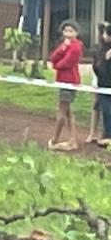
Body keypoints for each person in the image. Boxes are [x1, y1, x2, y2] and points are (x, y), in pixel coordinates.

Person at [48, 21, 83, 151]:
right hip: (62, 81)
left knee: (61, 112)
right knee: (68, 112)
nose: (68, 33)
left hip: (69, 81)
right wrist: (63, 48)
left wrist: (55, 66)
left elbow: (67, 62)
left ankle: (54, 140)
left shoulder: (76, 47)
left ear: (76, 33)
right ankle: (72, 140)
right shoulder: (64, 45)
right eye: (66, 31)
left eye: (71, 31)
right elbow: (53, 57)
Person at [88, 23, 111, 146]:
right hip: (103, 85)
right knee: (105, 110)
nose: (103, 36)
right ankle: (106, 135)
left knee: (107, 110)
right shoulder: (101, 49)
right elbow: (97, 67)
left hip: (105, 84)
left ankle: (107, 135)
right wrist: (105, 60)